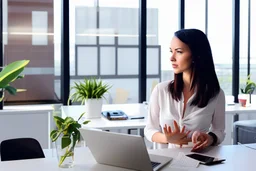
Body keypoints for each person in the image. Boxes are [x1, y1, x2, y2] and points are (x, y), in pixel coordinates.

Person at [144, 29, 225, 151]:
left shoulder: (216, 94)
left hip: (199, 160)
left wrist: (209, 138)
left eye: (179, 52)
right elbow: (149, 129)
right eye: (171, 51)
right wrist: (167, 138)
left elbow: (219, 131)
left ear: (196, 55)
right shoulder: (161, 90)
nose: (172, 58)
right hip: (166, 161)